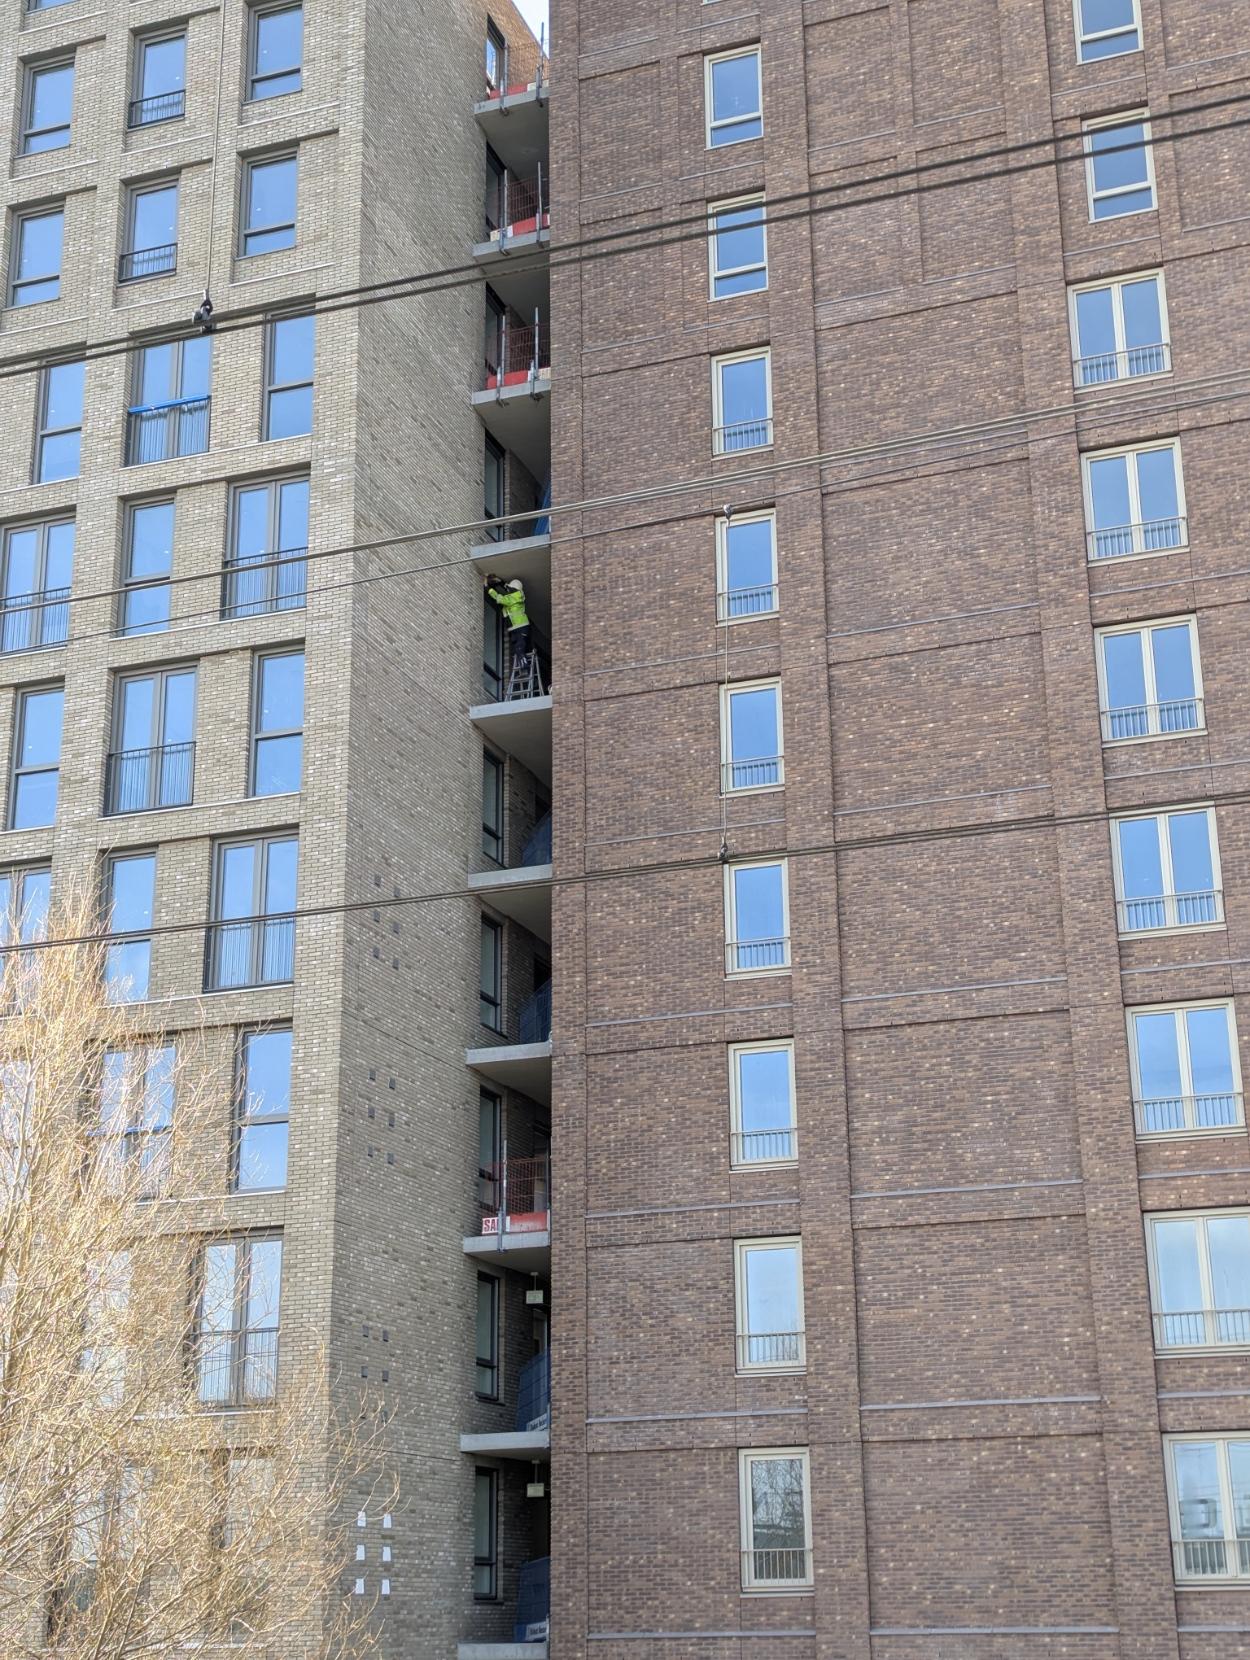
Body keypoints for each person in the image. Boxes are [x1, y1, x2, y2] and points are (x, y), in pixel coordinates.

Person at [485, 575, 531, 662]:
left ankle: (524, 665)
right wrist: (500, 581)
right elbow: (508, 588)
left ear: (514, 589)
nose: (509, 589)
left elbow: (499, 598)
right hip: (515, 627)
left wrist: (487, 588)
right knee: (516, 647)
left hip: (520, 626)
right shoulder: (517, 594)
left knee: (519, 647)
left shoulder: (512, 598)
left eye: (511, 588)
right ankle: (521, 662)